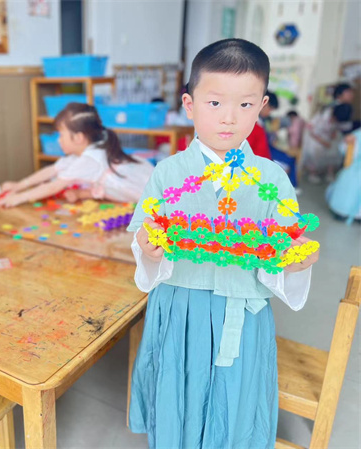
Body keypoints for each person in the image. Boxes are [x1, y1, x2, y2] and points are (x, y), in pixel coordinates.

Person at [127, 39, 319, 448]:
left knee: (234, 408)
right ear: (189, 104)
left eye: (246, 105)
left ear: (263, 106)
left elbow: (284, 247)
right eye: (215, 104)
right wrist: (146, 247)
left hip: (243, 316)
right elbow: (144, 233)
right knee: (179, 399)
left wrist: (293, 261)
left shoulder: (272, 178)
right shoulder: (168, 173)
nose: (230, 118)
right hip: (179, 312)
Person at [0, 103, 153, 207]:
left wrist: (18, 198)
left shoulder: (90, 158)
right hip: (130, 191)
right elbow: (52, 170)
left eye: (61, 135)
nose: (58, 140)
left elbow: (53, 186)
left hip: (149, 196)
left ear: (78, 138)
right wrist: (19, 186)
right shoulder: (81, 153)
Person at [326, 127, 361, 224]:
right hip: (354, 168)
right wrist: (350, 142)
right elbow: (345, 148)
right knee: (348, 186)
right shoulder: (358, 133)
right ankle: (342, 212)